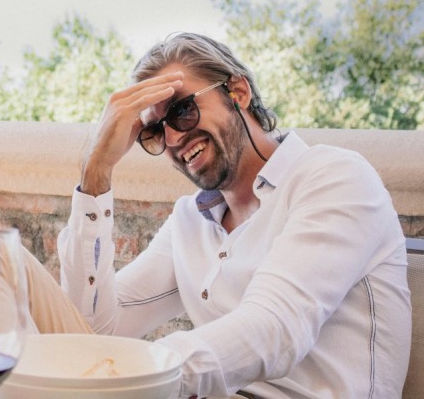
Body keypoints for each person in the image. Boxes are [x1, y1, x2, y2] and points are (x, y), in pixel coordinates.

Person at [58, 32, 411, 398]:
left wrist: (143, 373)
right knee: (10, 264)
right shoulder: (190, 221)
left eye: (182, 110)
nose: (174, 139)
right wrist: (96, 170)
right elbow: (94, 332)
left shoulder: (334, 177)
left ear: (238, 92)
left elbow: (274, 327)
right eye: (154, 131)